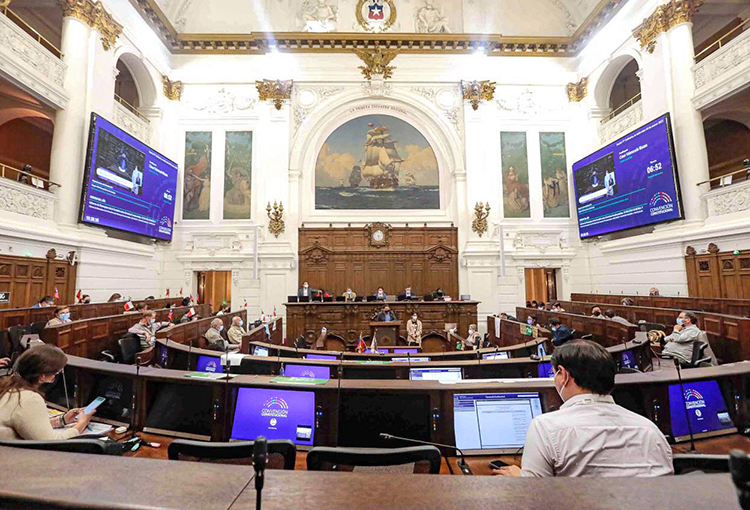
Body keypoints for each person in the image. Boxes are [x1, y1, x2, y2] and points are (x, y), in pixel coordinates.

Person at [494, 340, 673, 477]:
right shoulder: (649, 429)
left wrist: (520, 477)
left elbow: (533, 496)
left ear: (563, 375)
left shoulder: (545, 427)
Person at [0, 344, 96, 440]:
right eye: (56, 372)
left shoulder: (8, 386)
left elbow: (29, 426)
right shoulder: (29, 399)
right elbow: (52, 442)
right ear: (42, 376)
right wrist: (81, 424)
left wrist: (62, 420)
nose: (56, 376)